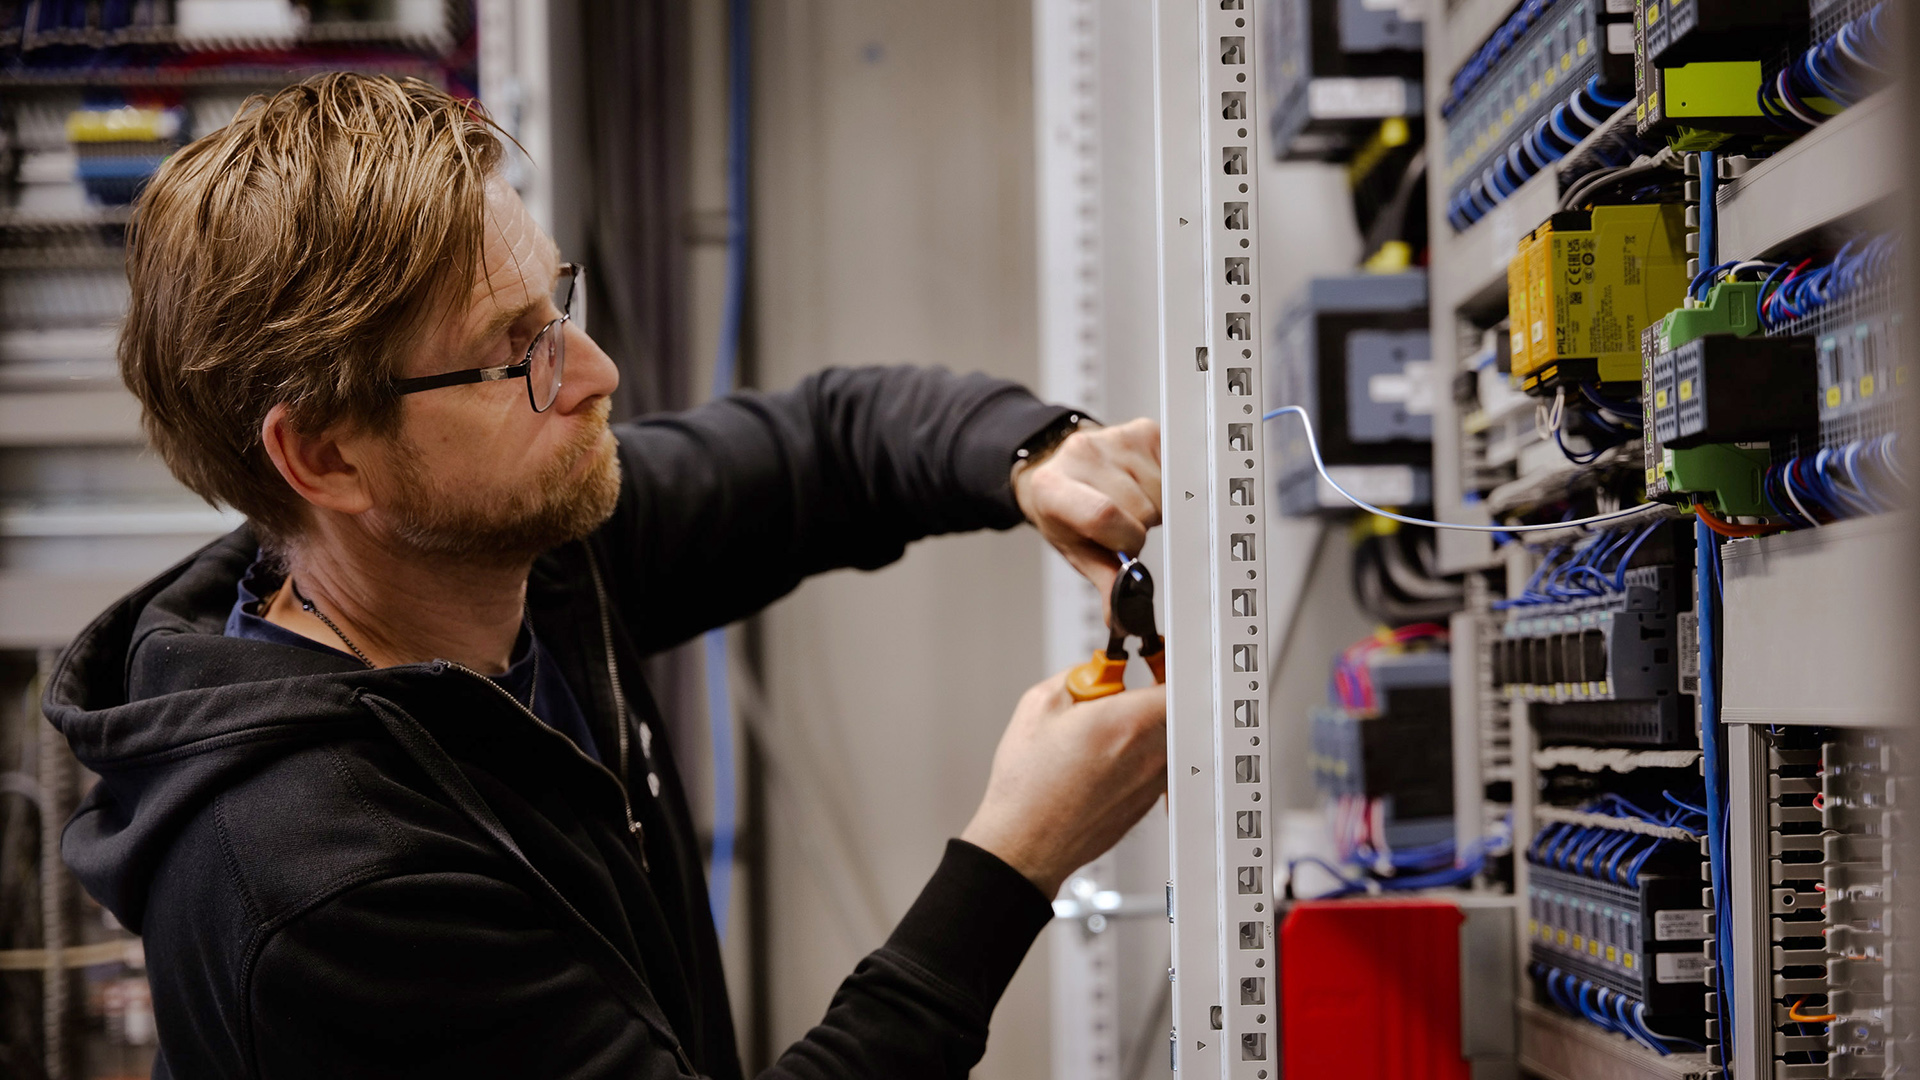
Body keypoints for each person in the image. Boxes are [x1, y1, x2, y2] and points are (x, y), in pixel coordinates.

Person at [41, 73, 1168, 1079]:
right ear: (328, 457)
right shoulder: (330, 881)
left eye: (557, 306)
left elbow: (826, 445)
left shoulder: (509, 550)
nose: (596, 373)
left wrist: (1036, 456)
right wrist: (1016, 858)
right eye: (516, 350)